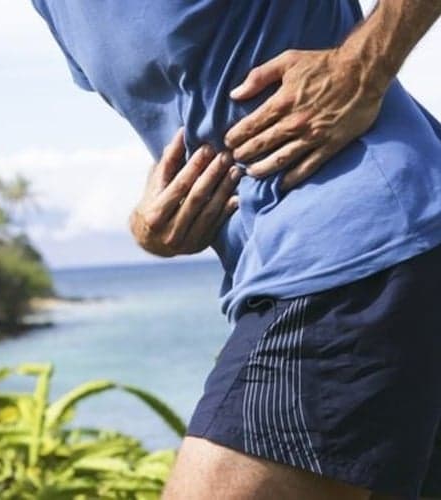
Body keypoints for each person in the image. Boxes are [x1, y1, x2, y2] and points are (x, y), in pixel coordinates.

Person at [30, 1, 441, 498]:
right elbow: (186, 101)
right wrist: (148, 222)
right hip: (302, 264)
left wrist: (363, 65)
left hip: (363, 246)